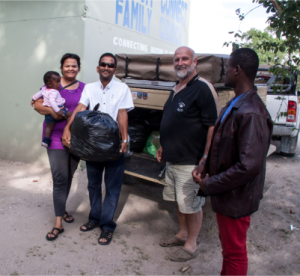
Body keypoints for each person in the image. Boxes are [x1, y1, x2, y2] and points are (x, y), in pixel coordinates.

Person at [192, 48, 273, 275]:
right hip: (228, 194)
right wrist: (205, 165)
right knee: (229, 251)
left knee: (235, 253)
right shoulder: (237, 103)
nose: (225, 73)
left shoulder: (251, 112)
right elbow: (223, 145)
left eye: (227, 68)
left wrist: (211, 184)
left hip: (237, 197)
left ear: (237, 70)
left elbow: (249, 166)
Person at [62, 52, 134, 245]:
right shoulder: (90, 88)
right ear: (97, 67)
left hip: (113, 145)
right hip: (92, 146)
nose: (106, 67)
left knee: (112, 188)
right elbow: (80, 108)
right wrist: (67, 128)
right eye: (103, 64)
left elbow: (122, 114)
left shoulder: (122, 88)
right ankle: (94, 218)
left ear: (115, 70)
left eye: (110, 65)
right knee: (93, 185)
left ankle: (107, 225)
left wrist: (125, 139)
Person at [156, 46, 221, 262]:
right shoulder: (176, 88)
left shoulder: (203, 88)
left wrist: (204, 160)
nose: (180, 62)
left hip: (192, 161)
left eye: (185, 58)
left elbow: (213, 126)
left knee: (193, 204)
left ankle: (191, 245)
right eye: (176, 59)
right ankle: (182, 233)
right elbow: (172, 122)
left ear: (195, 62)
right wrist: (164, 145)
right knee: (178, 200)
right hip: (173, 159)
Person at [33, 53, 85, 241]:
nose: (70, 69)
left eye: (74, 66)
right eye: (67, 66)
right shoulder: (53, 83)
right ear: (62, 67)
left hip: (75, 139)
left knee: (69, 175)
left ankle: (61, 208)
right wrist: (53, 113)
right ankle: (58, 223)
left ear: (78, 67)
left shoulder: (84, 88)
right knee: (60, 178)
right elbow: (36, 104)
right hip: (55, 137)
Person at [31, 71, 72, 148]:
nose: (59, 84)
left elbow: (37, 95)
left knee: (49, 127)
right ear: (49, 84)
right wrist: (57, 111)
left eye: (59, 81)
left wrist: (33, 99)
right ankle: (68, 129)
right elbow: (52, 102)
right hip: (59, 108)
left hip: (48, 114)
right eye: (57, 82)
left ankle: (46, 141)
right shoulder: (54, 92)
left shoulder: (44, 89)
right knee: (70, 115)